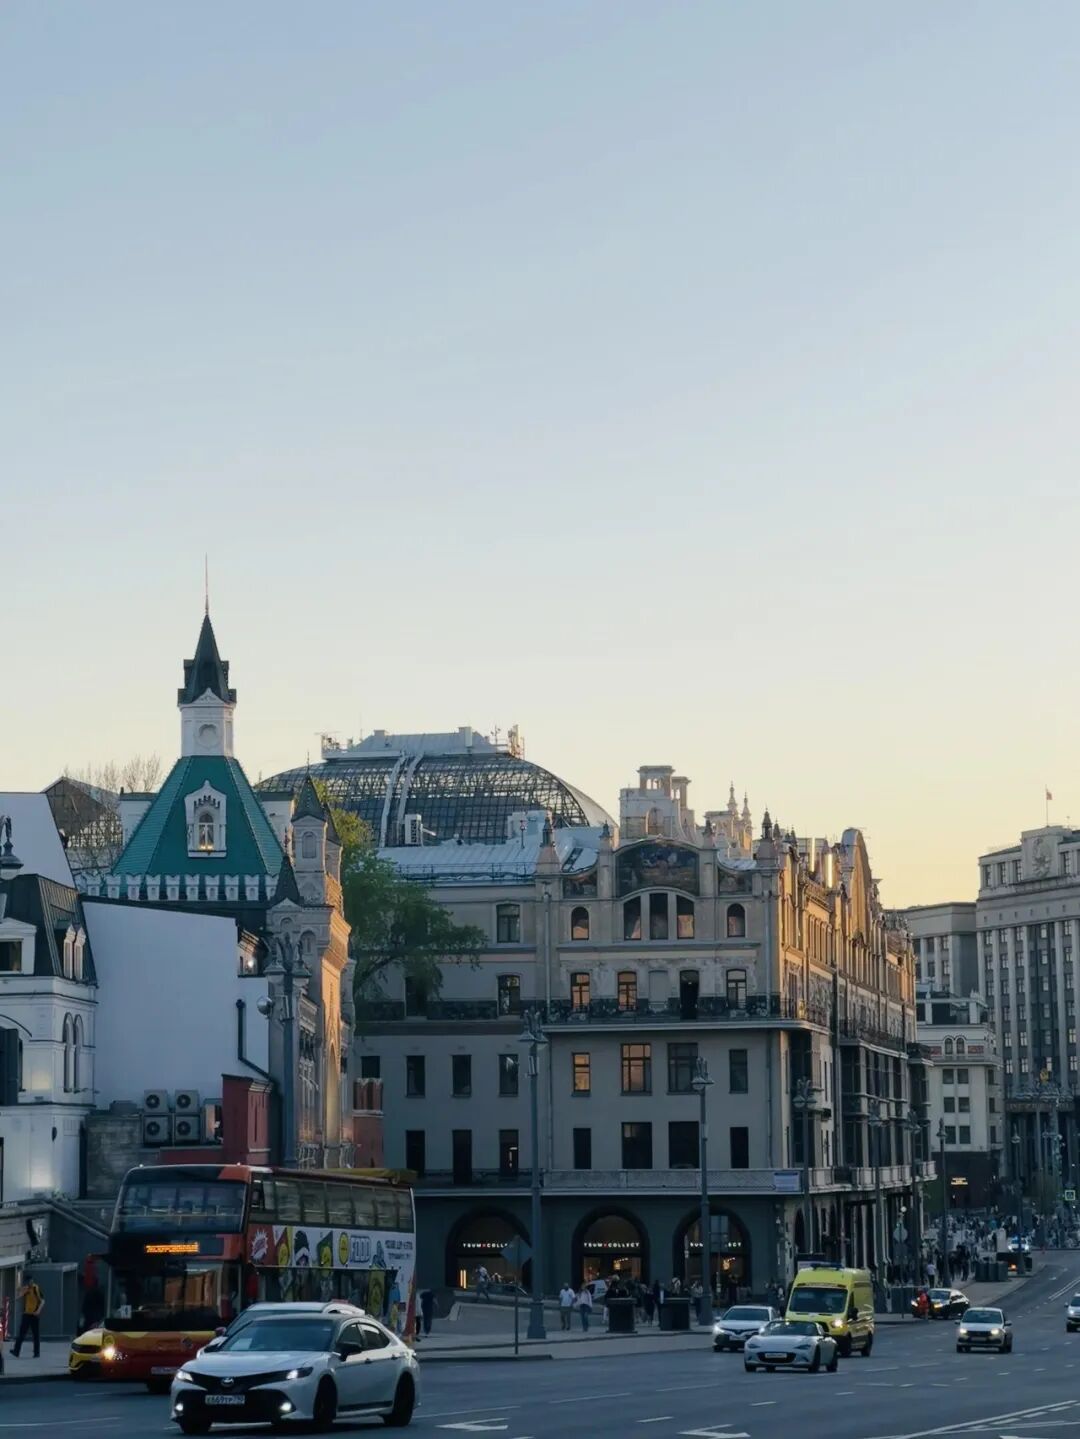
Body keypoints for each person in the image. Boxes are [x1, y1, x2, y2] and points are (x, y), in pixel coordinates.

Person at [11, 1273, 44, 1359]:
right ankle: (16, 1351)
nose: (29, 1283)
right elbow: (17, 1297)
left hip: (34, 1314)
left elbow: (42, 1301)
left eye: (30, 1281)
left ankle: (36, 1353)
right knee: (21, 1333)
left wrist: (38, 1311)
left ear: (32, 1281)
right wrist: (20, 1290)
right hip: (26, 1314)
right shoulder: (26, 1289)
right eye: (28, 1281)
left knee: (35, 1334)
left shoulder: (35, 1288)